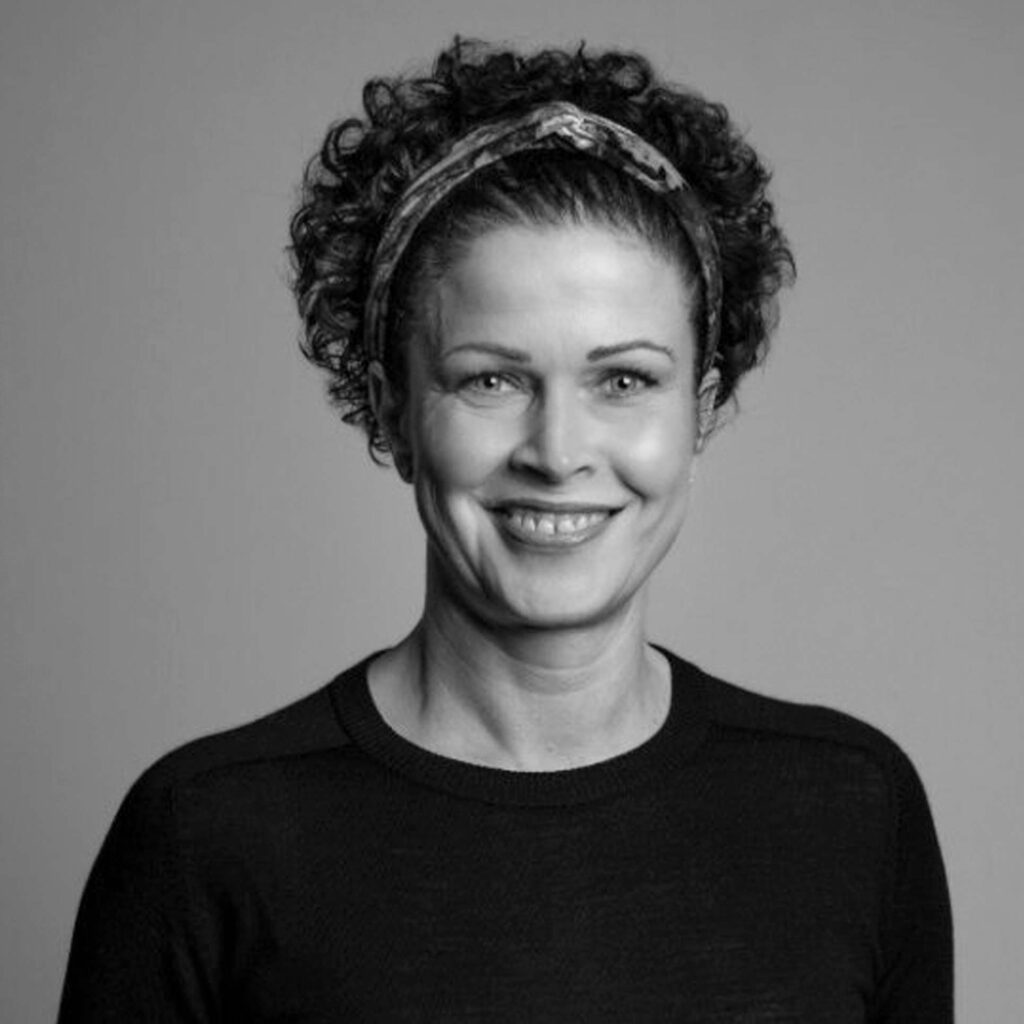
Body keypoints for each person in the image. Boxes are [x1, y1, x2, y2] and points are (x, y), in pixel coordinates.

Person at [57, 38, 953, 1022]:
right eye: (491, 379)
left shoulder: (851, 810)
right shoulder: (206, 833)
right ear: (394, 412)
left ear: (700, 410)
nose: (557, 451)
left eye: (624, 380)